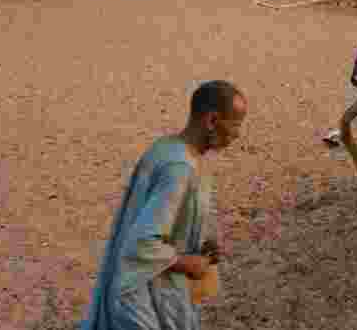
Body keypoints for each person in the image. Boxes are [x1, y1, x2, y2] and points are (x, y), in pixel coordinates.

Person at [81, 81, 248, 330]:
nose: (237, 135)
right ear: (212, 121)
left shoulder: (167, 149)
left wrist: (199, 246)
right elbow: (141, 245)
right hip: (142, 302)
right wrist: (190, 263)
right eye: (235, 125)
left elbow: (164, 224)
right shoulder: (178, 169)